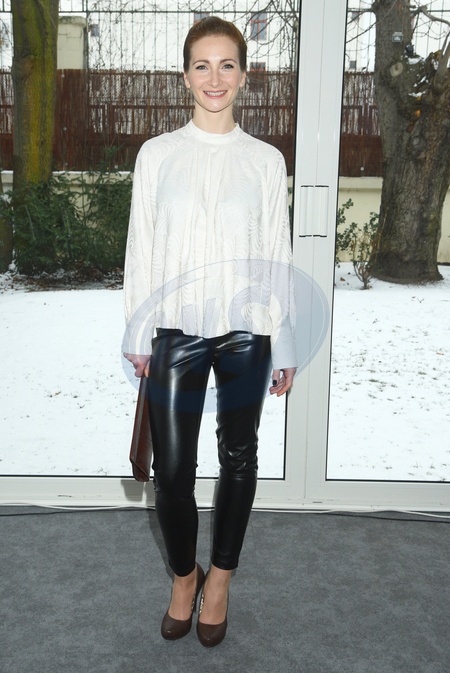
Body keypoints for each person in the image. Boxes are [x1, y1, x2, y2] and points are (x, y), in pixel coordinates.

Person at [123, 16, 297, 648]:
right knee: (172, 471)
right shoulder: (157, 154)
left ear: (244, 76)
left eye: (227, 65)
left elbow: (276, 255)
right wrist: (137, 333)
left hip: (248, 331)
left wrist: (286, 340)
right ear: (185, 76)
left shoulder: (265, 161)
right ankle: (184, 575)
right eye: (202, 65)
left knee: (238, 456)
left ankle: (219, 578)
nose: (214, 77)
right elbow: (140, 246)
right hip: (175, 330)